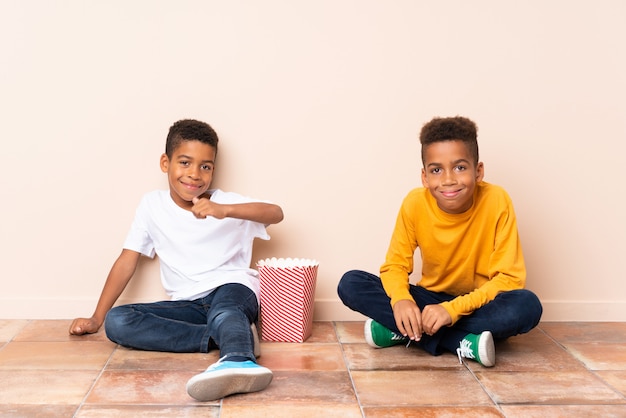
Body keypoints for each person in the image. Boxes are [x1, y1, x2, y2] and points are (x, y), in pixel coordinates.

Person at [69, 119, 284, 401]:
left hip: (232, 287)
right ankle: (223, 336)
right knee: (118, 321)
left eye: (205, 166)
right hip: (188, 303)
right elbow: (127, 260)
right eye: (185, 163)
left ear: (213, 170)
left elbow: (276, 213)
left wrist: (224, 210)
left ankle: (238, 358)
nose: (194, 174)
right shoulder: (151, 205)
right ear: (165, 163)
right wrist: (97, 318)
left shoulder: (224, 202)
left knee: (225, 313)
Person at [337, 116, 542, 367]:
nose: (448, 180)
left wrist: (452, 310)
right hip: (429, 300)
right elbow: (395, 266)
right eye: (436, 170)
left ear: (478, 171)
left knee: (526, 305)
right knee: (351, 283)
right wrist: (401, 300)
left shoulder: (497, 200)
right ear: (424, 177)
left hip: (478, 303)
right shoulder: (414, 203)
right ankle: (462, 342)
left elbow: (509, 279)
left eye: (459, 167)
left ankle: (406, 333)